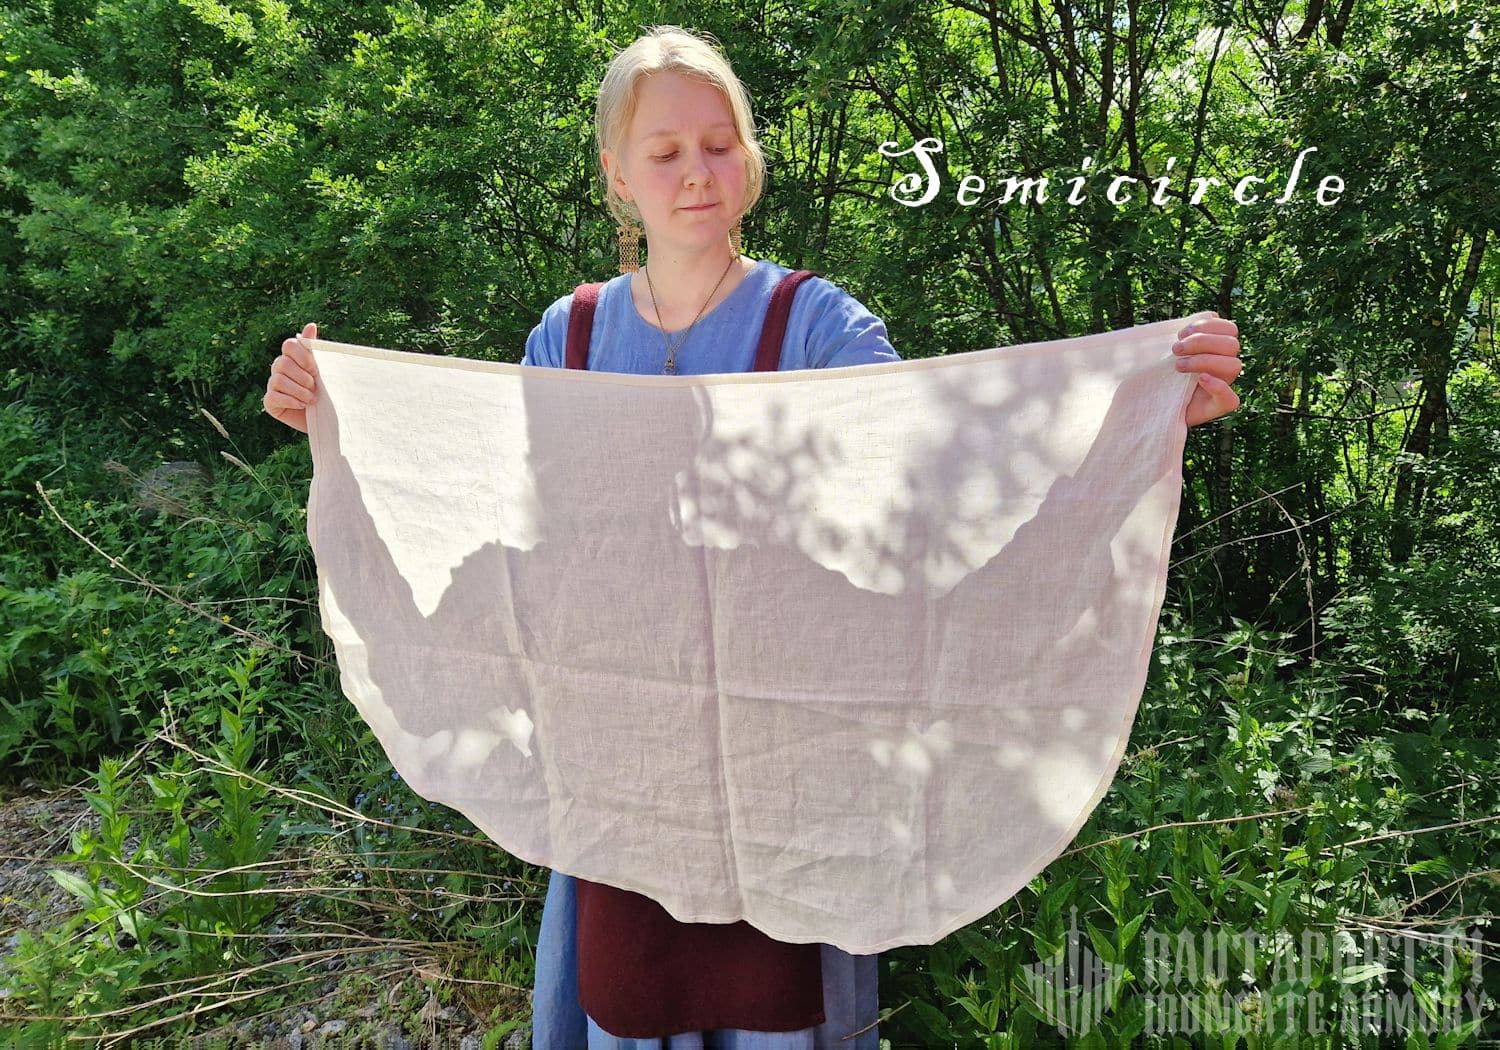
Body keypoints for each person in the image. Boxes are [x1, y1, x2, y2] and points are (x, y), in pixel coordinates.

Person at [264, 25, 1243, 1050]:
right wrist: (339, 421)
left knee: (779, 1022)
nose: (696, 172)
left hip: (794, 767)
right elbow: (511, 530)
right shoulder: (571, 337)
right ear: (617, 175)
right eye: (664, 151)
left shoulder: (817, 328)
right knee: (629, 1012)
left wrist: (1139, 417)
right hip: (622, 771)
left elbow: (938, 493)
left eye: (718, 144)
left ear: (751, 158)